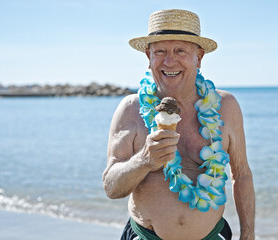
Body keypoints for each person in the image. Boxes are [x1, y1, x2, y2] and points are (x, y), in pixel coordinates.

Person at [103, 9, 255, 240]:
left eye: (180, 51)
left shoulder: (227, 106)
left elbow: (241, 175)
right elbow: (112, 188)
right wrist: (144, 161)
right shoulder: (130, 110)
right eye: (160, 51)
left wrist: (248, 235)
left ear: (199, 57)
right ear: (148, 57)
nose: (169, 61)